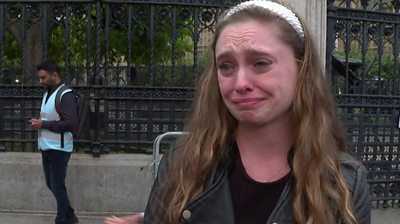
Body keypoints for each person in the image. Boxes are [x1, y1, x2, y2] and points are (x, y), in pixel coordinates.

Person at [105, 0, 371, 223]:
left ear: (302, 69)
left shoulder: (343, 182)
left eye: (261, 63)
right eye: (226, 66)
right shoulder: (184, 164)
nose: (240, 83)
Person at [29, 61, 79, 224]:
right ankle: (70, 216)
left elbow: (70, 123)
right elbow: (50, 117)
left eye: (43, 77)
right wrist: (40, 122)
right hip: (47, 147)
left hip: (60, 148)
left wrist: (43, 124)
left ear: (54, 75)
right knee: (51, 184)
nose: (40, 81)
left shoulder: (66, 95)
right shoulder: (48, 92)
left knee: (57, 185)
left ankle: (63, 220)